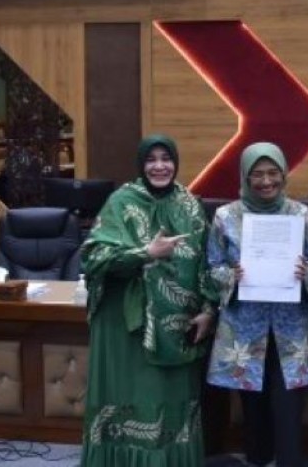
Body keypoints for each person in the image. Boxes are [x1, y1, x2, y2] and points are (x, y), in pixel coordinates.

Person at [79, 134, 219, 467]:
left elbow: (207, 262)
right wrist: (145, 253)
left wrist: (208, 309)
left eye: (166, 158)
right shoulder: (121, 202)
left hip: (178, 325)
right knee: (132, 398)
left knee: (170, 402)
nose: (159, 166)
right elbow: (93, 258)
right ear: (141, 165)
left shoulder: (189, 204)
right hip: (127, 326)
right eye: (151, 159)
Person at [206, 142, 308, 467]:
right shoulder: (225, 216)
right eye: (256, 174)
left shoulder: (300, 214)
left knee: (288, 416)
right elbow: (212, 267)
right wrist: (231, 274)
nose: (266, 181)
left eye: (273, 173)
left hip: (291, 329)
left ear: (284, 174)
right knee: (254, 415)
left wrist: (307, 272)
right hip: (246, 329)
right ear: (245, 176)